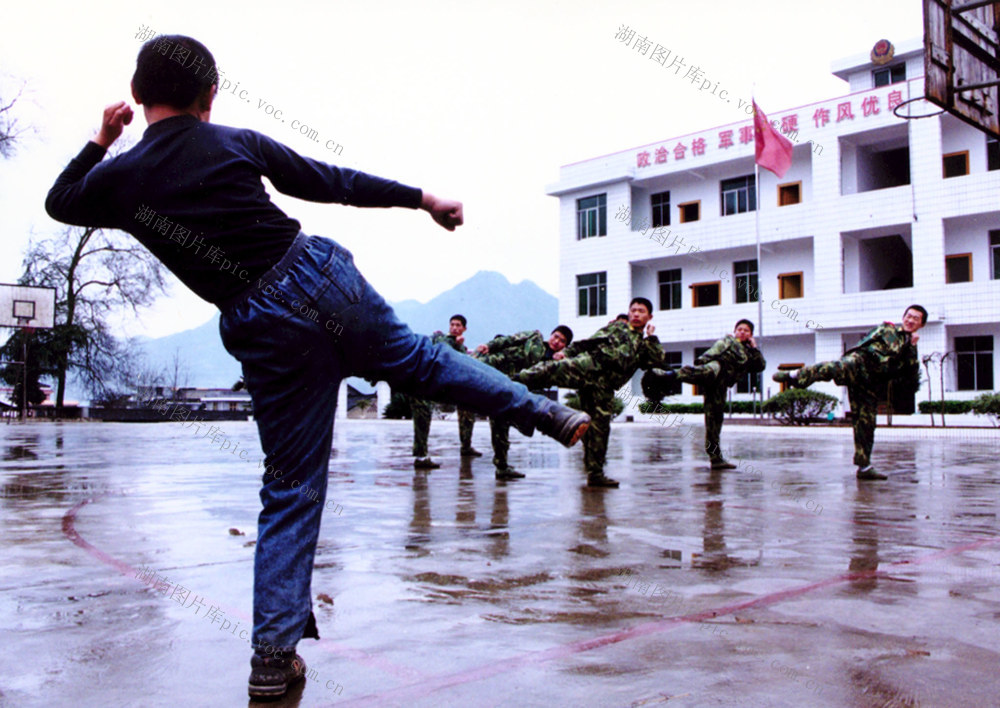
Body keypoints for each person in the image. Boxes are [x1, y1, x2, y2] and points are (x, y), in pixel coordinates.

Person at [45, 35, 590, 700]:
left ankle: (272, 659)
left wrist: (101, 138)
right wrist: (422, 198)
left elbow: (60, 199)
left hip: (260, 322)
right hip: (316, 274)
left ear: (136, 97)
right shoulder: (234, 141)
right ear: (210, 98)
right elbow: (331, 183)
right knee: (419, 360)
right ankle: (544, 410)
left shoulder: (119, 179)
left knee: (291, 489)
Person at [516, 298, 665, 488]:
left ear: (649, 317)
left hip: (603, 388)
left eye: (641, 311)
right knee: (552, 369)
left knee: (598, 429)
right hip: (587, 367)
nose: (636, 314)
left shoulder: (644, 345)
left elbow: (657, 360)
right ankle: (514, 380)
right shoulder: (617, 328)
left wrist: (651, 337)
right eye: (633, 310)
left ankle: (595, 473)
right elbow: (588, 342)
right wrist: (567, 353)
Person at [772, 305, 927, 480]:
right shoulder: (887, 328)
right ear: (904, 316)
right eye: (909, 316)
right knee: (833, 367)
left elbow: (909, 371)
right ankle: (795, 375)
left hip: (871, 381)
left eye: (916, 318)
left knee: (866, 423)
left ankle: (864, 467)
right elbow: (865, 342)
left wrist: (911, 346)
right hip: (860, 361)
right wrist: (852, 357)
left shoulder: (911, 348)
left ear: (921, 325)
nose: (911, 320)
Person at [642, 319, 766, 469]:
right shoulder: (728, 341)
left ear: (751, 335)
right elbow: (715, 350)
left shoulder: (749, 353)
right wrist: (703, 360)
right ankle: (669, 374)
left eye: (746, 330)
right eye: (739, 329)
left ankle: (716, 458)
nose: (742, 332)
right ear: (735, 331)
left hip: (720, 384)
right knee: (705, 371)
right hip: (717, 367)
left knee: (715, 419)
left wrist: (754, 347)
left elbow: (760, 366)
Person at [475, 325, 574, 479]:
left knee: (500, 423)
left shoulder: (552, 364)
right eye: (556, 336)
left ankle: (502, 467)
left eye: (562, 341)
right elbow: (509, 340)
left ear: (565, 346)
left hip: (507, 389)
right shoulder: (534, 338)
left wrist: (558, 361)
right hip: (493, 365)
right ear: (551, 335)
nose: (557, 342)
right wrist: (489, 346)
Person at [407, 315, 481, 468]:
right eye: (452, 324)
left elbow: (461, 361)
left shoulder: (461, 347)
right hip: (422, 382)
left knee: (467, 406)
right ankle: (420, 457)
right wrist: (457, 344)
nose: (454, 328)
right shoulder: (441, 337)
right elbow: (445, 348)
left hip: (440, 384)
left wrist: (460, 346)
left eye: (458, 325)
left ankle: (466, 447)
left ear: (464, 329)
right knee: (422, 415)